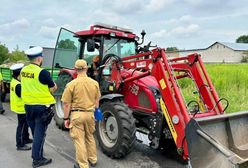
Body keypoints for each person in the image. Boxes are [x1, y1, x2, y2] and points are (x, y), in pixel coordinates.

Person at [21, 46, 57, 168]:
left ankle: (38, 151)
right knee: (39, 134)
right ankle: (37, 159)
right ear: (39, 58)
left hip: (28, 106)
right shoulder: (42, 72)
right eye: (41, 57)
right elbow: (52, 88)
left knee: (35, 130)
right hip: (41, 108)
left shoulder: (23, 70)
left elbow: (27, 83)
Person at [61, 59, 101, 168]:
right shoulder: (95, 83)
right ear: (86, 68)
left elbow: (66, 104)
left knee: (79, 140)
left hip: (77, 115)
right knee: (90, 137)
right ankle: (93, 159)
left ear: (75, 69)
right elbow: (97, 101)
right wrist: (96, 113)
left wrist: (65, 119)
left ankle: (83, 165)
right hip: (90, 114)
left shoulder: (71, 84)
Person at [10, 63, 33, 150]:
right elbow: (22, 95)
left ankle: (26, 138)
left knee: (25, 125)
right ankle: (20, 144)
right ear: (19, 75)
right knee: (22, 126)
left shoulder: (14, 81)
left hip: (18, 107)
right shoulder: (18, 85)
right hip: (21, 108)